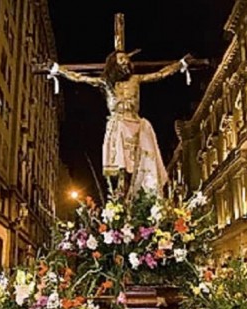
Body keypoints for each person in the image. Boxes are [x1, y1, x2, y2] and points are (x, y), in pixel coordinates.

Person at [50, 49, 190, 198]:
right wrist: (60, 70)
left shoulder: (136, 79)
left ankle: (140, 196)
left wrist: (179, 65)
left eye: (126, 58)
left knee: (143, 163)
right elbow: (80, 78)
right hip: (119, 124)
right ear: (114, 63)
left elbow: (159, 74)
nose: (125, 61)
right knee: (121, 167)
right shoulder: (106, 82)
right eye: (121, 59)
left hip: (136, 123)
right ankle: (122, 197)